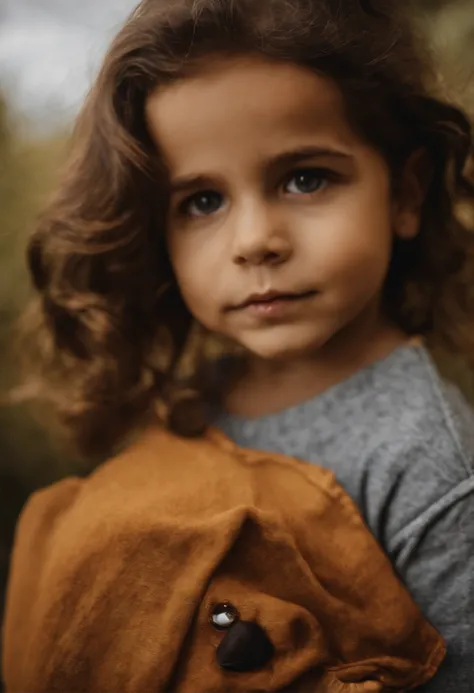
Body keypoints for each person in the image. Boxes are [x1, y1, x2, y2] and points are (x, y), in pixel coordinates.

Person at [6, 0, 474, 690]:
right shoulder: (196, 399)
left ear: (404, 193)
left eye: (306, 177)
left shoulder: (429, 461)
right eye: (201, 202)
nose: (255, 240)